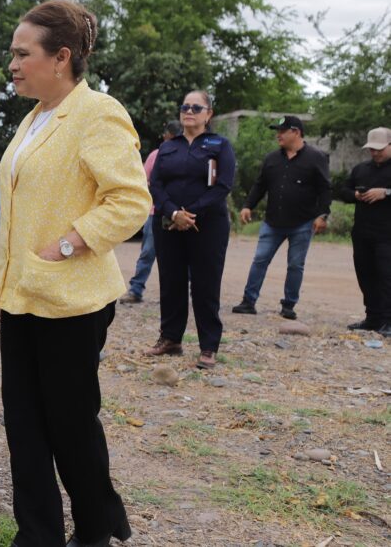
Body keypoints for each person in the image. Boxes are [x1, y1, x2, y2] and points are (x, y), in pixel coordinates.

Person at [0, 0, 149, 547]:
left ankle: (96, 527)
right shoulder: (33, 119)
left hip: (73, 301)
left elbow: (129, 200)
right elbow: (20, 213)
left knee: (71, 426)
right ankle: (38, 536)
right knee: (25, 428)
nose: (12, 64)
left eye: (21, 54)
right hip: (24, 295)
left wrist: (68, 244)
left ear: (61, 58)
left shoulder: (97, 112)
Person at [145, 91, 236, 369]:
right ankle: (171, 338)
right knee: (171, 281)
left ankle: (208, 346)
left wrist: (191, 213)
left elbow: (223, 185)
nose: (189, 111)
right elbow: (155, 184)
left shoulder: (219, 145)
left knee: (205, 284)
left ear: (208, 114)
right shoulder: (168, 148)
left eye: (196, 107)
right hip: (169, 223)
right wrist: (173, 212)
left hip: (206, 225)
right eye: (185, 106)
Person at [231, 116, 331, 320]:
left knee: (295, 264)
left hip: (302, 222)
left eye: (282, 131)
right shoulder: (272, 159)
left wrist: (323, 215)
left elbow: (325, 188)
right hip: (273, 221)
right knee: (260, 260)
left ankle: (288, 306)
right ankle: (248, 302)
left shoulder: (316, 157)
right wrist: (248, 205)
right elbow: (260, 185)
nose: (278, 135)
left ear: (296, 132)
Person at [120, 121, 182, 304]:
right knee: (148, 252)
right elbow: (143, 180)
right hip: (156, 212)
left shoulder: (185, 155)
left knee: (179, 256)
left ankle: (177, 295)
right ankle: (136, 289)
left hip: (179, 214)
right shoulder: (156, 155)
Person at [342, 127, 391, 336]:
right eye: (372, 149)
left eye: (380, 149)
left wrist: (386, 193)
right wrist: (355, 194)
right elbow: (342, 191)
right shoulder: (361, 169)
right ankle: (372, 317)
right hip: (362, 232)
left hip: (387, 235)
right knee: (365, 275)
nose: (375, 153)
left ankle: (388, 321)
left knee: (386, 277)